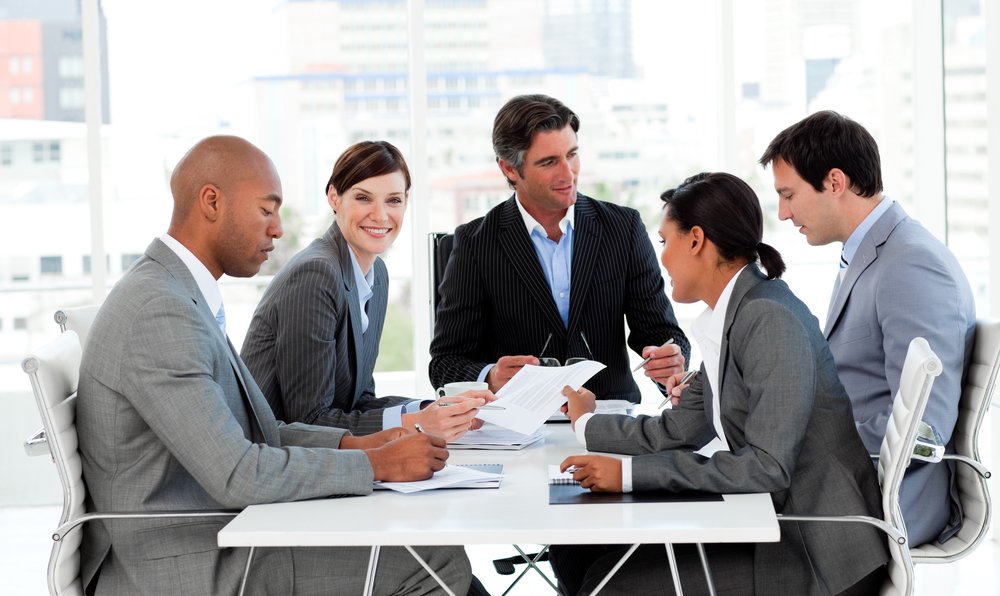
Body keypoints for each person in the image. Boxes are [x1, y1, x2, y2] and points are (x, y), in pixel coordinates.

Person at [75, 135, 471, 595]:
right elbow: (236, 472)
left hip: (218, 528)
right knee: (436, 560)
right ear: (211, 202)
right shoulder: (160, 310)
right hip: (183, 558)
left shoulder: (177, 292)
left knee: (431, 545)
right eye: (266, 210)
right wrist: (377, 466)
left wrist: (361, 445)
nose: (279, 229)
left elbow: (249, 432)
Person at [551, 172, 889, 595]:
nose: (662, 258)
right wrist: (587, 422)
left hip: (814, 552)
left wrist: (629, 474)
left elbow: (767, 466)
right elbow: (680, 429)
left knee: (609, 582)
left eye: (664, 242)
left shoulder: (768, 318)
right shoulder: (738, 314)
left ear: (696, 240)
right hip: (769, 524)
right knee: (584, 558)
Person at [759, 110, 976, 546]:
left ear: (835, 182)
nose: (782, 213)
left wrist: (798, 448)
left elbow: (923, 430)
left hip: (879, 505)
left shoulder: (910, 264)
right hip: (847, 485)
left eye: (789, 195)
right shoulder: (873, 256)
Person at [429, 94, 690, 403]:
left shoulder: (623, 227)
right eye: (549, 162)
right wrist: (491, 376)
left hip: (607, 417)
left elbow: (660, 331)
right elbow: (445, 363)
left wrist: (671, 359)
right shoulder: (475, 243)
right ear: (510, 169)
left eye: (572, 154)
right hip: (518, 424)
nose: (568, 173)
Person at [242, 141, 490, 440]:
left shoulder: (376, 275)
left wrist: (435, 408)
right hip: (279, 458)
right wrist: (416, 423)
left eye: (394, 200)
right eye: (363, 198)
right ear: (334, 197)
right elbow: (309, 420)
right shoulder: (316, 274)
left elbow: (359, 400)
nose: (381, 215)